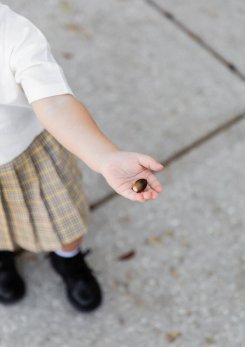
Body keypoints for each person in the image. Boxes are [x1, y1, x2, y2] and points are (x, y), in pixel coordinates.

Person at [0, 3, 164, 312]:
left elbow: (56, 104)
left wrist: (105, 157)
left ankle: (68, 259)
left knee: (63, 219)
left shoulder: (11, 34)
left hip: (28, 155)